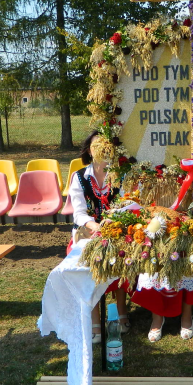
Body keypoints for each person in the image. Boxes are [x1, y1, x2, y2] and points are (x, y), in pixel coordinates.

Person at [67, 131, 131, 344]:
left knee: (122, 255)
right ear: (89, 150)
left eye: (105, 145)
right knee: (89, 264)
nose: (101, 149)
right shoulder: (79, 177)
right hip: (88, 232)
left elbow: (125, 204)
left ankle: (121, 311)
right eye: (96, 145)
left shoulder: (120, 175)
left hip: (115, 229)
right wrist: (95, 226)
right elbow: (78, 213)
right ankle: (95, 319)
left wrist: (113, 221)